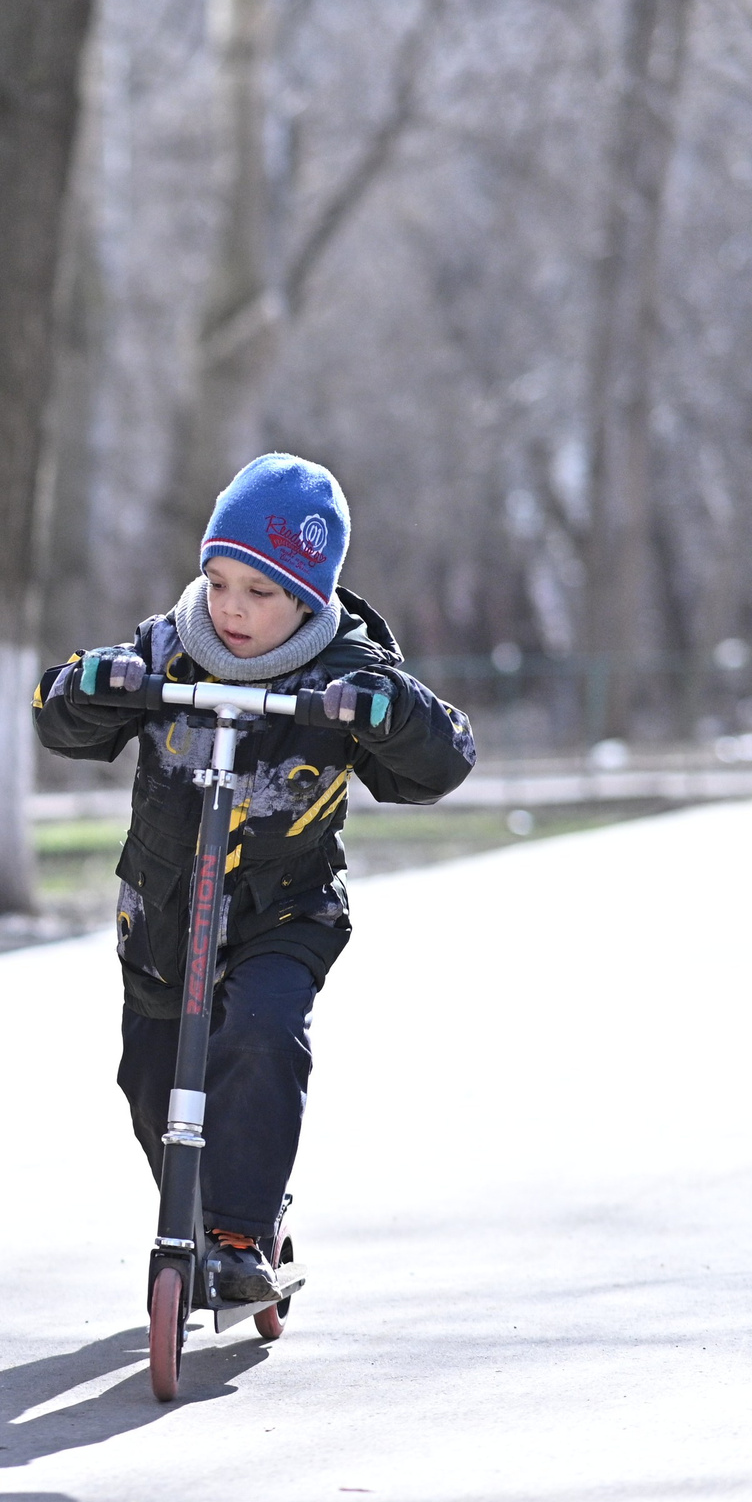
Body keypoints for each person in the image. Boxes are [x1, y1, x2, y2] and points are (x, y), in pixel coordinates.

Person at [33, 454, 475, 1305]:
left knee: (262, 1039)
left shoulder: (348, 673)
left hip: (283, 913)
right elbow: (61, 718)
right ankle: (193, 1223)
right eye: (219, 580)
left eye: (260, 592)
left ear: (309, 597)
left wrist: (389, 713)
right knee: (151, 1082)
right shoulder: (167, 650)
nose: (231, 608)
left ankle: (241, 1230)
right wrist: (90, 686)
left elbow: (440, 761)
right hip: (165, 916)